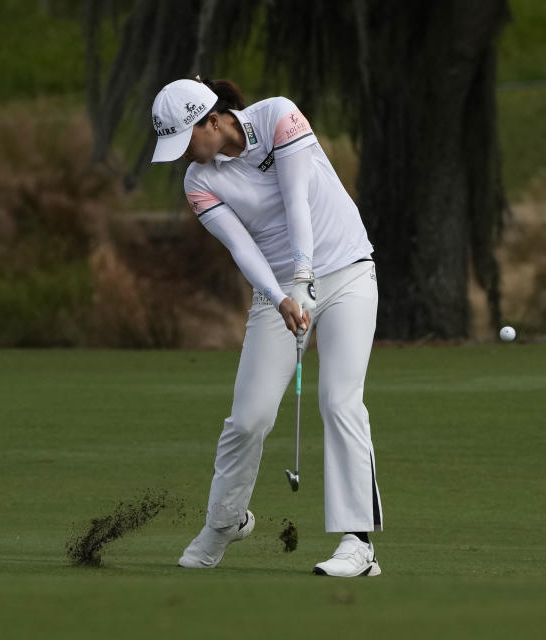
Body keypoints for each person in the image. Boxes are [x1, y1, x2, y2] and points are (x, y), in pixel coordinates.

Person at [150, 77, 383, 577]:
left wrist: (303, 276)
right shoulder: (199, 181)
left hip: (346, 272)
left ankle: (358, 544)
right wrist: (282, 296)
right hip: (277, 292)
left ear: (212, 120)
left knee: (339, 399)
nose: (184, 155)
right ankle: (225, 522)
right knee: (249, 417)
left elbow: (296, 198)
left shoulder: (278, 115)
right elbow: (242, 248)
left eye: (187, 139)